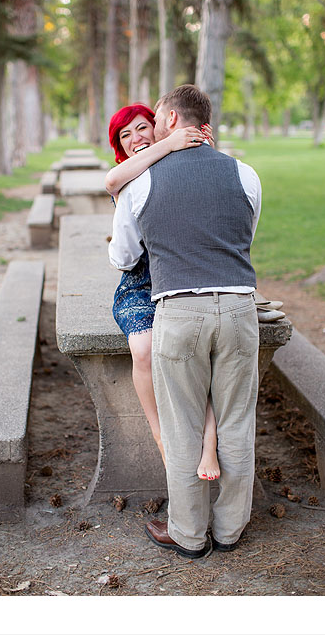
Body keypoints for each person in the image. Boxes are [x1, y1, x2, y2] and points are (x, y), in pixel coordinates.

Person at [109, 84, 262, 558]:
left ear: (172, 121)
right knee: (237, 421)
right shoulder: (245, 173)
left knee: (181, 427)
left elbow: (124, 256)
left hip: (179, 310)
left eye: (155, 119)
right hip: (239, 307)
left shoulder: (141, 183)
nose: (151, 129)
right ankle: (231, 529)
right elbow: (245, 235)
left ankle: (189, 535)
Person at [105, 103, 221, 482]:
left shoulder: (178, 164)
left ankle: (208, 443)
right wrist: (168, 144)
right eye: (126, 134)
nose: (136, 137)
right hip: (141, 283)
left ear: (157, 127)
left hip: (186, 275)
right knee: (144, 347)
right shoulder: (129, 176)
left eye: (142, 128)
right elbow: (110, 184)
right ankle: (160, 434)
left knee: (193, 348)